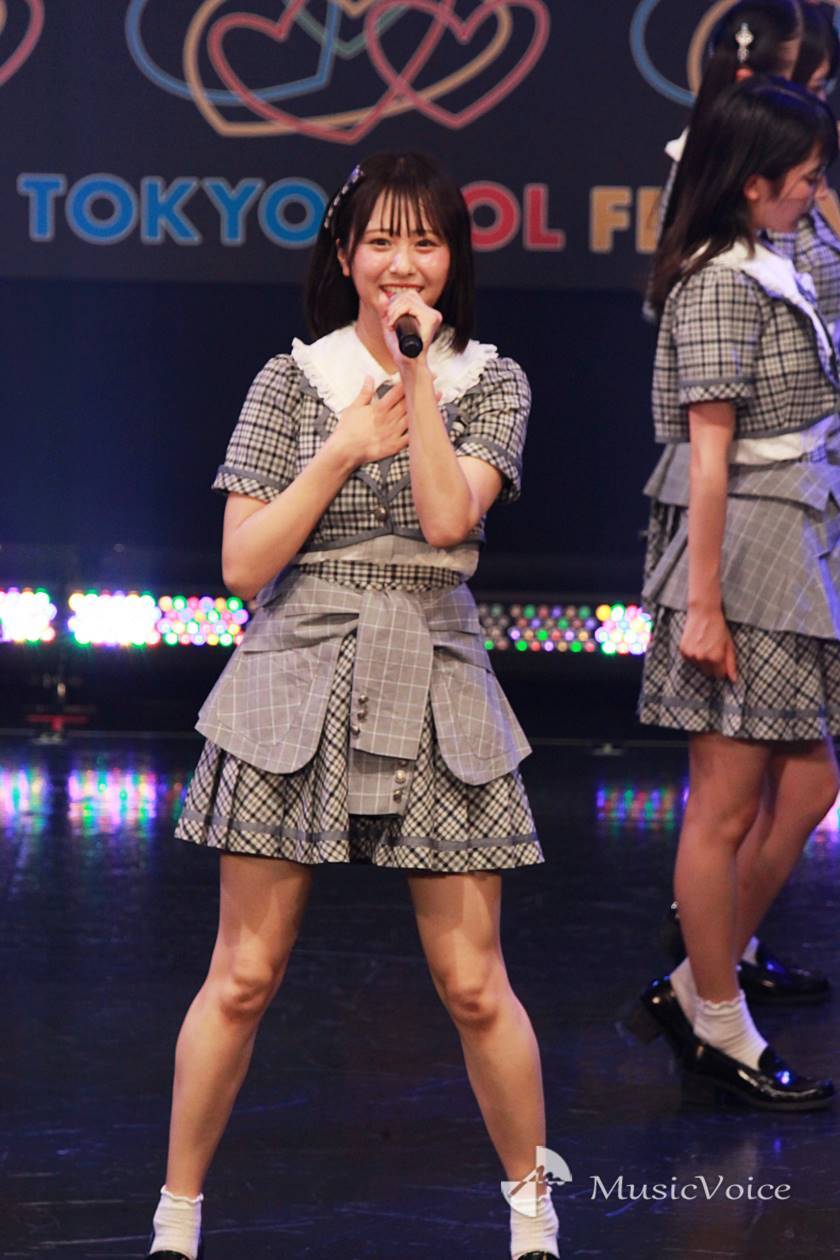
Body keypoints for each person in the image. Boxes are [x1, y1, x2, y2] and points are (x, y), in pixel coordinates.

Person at [145, 152, 557, 1260]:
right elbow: (242, 565)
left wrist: (415, 380)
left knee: (474, 985)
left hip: (435, 671)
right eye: (380, 241)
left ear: (453, 259)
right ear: (344, 255)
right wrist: (339, 449)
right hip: (296, 669)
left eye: (425, 241)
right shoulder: (290, 381)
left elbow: (446, 519)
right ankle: (176, 1222)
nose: (401, 264)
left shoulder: (491, 383)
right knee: (244, 976)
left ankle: (533, 1221)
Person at [626, 77, 840, 1111]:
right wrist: (703, 603)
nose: (814, 192)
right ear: (753, 183)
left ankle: (695, 984)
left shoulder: (771, 257)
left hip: (786, 542)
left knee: (806, 787)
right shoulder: (718, 282)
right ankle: (716, 1015)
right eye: (804, 177)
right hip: (744, 552)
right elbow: (709, 458)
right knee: (723, 806)